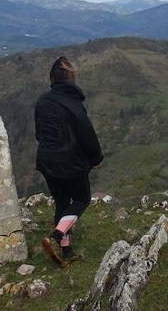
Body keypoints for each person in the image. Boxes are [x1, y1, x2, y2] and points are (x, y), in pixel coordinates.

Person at [34, 55, 103, 266]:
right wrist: (95, 158)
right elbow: (87, 135)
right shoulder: (73, 105)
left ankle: (66, 252)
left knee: (63, 204)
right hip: (70, 163)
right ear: (71, 80)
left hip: (47, 161)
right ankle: (55, 238)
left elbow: (39, 134)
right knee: (81, 200)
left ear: (52, 79)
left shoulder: (42, 102)